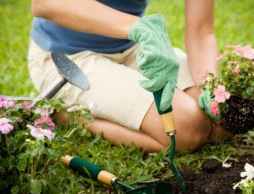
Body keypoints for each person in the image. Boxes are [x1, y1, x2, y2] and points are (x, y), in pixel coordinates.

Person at [29, 0, 231, 153]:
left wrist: (210, 87)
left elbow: (201, 32)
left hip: (130, 46)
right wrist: (140, 27)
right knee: (187, 129)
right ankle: (72, 116)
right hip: (68, 59)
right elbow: (45, 3)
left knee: (219, 125)